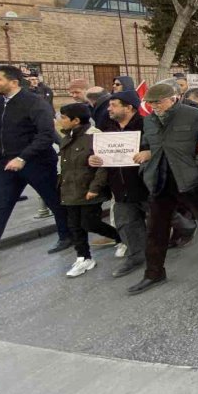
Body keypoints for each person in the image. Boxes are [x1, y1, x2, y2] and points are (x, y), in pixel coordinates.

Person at [127, 82, 198, 295]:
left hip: (187, 181)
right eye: (150, 103)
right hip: (159, 180)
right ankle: (154, 273)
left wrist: (196, 168)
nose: (154, 106)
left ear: (173, 98)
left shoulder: (195, 116)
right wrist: (146, 155)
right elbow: (149, 145)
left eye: (158, 102)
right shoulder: (149, 121)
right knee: (155, 229)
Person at [0, 65, 71, 267]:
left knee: (55, 201)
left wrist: (23, 158)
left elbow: (46, 134)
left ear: (13, 82)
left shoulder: (34, 102)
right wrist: (1, 157)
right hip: (6, 164)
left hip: (37, 163)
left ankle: (67, 236)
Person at [88, 90, 150, 277]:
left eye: (114, 105)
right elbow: (101, 155)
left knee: (164, 218)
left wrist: (149, 153)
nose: (109, 108)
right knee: (126, 223)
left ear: (129, 107)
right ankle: (136, 256)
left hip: (145, 185)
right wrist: (93, 160)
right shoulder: (107, 127)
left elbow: (162, 146)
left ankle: (185, 228)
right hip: (120, 186)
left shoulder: (146, 125)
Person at [56, 102, 120, 277]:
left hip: (89, 189)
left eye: (63, 117)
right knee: (75, 226)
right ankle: (83, 257)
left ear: (75, 120)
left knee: (89, 223)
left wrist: (95, 188)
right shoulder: (66, 137)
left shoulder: (94, 136)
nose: (59, 120)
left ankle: (121, 237)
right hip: (70, 190)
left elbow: (103, 166)